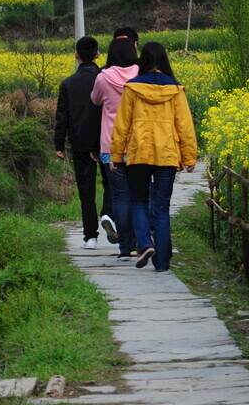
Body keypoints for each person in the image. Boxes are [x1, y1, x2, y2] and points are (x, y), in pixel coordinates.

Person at [110, 42, 197, 271]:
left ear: (143, 61)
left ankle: (146, 244)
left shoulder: (132, 88)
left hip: (139, 153)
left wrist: (116, 156)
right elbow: (185, 126)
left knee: (138, 200)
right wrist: (189, 157)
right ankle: (162, 262)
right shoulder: (175, 89)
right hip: (167, 155)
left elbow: (121, 126)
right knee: (161, 207)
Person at [54, 36, 107, 249]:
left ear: (76, 55)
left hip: (80, 141)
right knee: (110, 183)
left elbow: (62, 116)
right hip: (105, 139)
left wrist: (59, 145)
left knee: (86, 189)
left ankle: (90, 236)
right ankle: (109, 217)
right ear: (98, 55)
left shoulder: (68, 83)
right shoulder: (106, 78)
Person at [91, 36, 140, 259]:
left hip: (111, 147)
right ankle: (142, 241)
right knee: (140, 196)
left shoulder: (103, 77)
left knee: (120, 198)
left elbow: (95, 100)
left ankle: (124, 247)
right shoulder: (141, 74)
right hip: (139, 146)